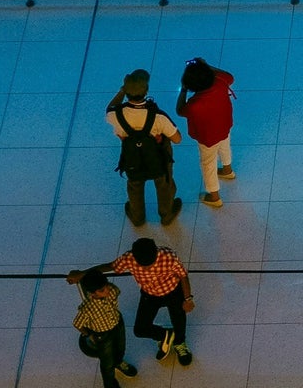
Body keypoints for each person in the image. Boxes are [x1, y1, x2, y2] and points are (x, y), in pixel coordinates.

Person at [71, 237, 196, 366]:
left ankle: (180, 343)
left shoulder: (168, 256)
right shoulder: (129, 258)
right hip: (149, 294)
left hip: (173, 291)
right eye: (143, 267)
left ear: (156, 253)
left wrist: (187, 299)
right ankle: (165, 335)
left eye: (150, 265)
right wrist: (82, 274)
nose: (147, 270)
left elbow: (182, 275)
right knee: (140, 329)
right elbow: (111, 266)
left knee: (179, 319)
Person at [107, 69, 183, 227]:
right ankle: (166, 214)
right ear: (146, 91)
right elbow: (177, 139)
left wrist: (122, 90)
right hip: (158, 158)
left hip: (132, 157)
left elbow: (111, 107)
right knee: (164, 184)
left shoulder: (115, 115)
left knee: (134, 185)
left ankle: (137, 217)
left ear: (126, 92)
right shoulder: (158, 116)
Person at [72, 268, 138, 388]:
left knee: (120, 348)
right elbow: (77, 324)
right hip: (102, 334)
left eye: (107, 285)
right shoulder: (87, 308)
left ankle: (119, 362)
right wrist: (89, 334)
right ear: (92, 294)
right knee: (107, 366)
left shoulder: (113, 291)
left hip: (117, 326)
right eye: (102, 290)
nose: (107, 290)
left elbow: (114, 292)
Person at [175, 57, 236, 208]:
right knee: (225, 147)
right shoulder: (221, 82)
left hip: (207, 138)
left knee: (208, 164)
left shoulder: (195, 104)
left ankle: (214, 196)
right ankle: (227, 170)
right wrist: (206, 66)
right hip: (224, 127)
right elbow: (230, 76)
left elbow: (180, 110)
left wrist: (182, 90)